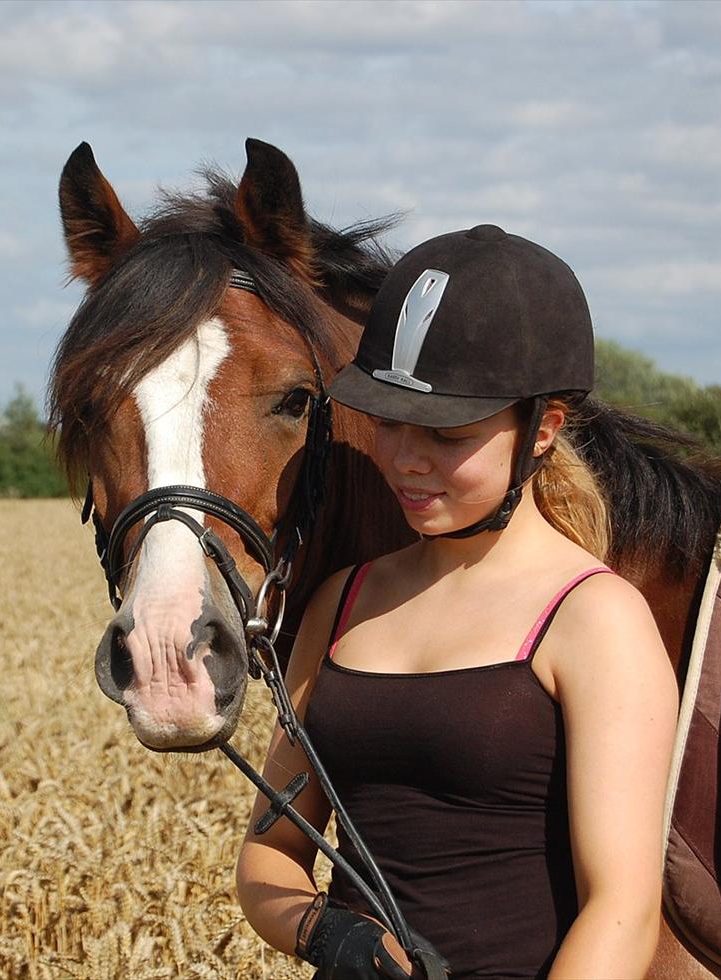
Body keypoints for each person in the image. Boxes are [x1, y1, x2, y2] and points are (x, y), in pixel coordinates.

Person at [236, 224, 678, 979]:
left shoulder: (594, 619)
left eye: (449, 434)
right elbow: (269, 852)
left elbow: (623, 910)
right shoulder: (342, 604)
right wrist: (322, 932)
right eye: (389, 422)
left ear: (544, 429)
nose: (407, 459)